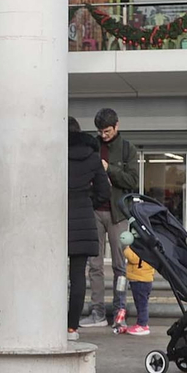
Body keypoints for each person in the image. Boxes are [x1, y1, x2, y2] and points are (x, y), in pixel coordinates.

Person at [81, 107, 139, 328]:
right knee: (94, 264)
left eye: (107, 131)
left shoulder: (127, 149)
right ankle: (97, 312)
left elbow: (132, 180)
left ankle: (119, 310)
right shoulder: (91, 146)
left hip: (118, 214)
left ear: (117, 126)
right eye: (100, 131)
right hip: (94, 210)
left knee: (120, 265)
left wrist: (109, 169)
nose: (103, 135)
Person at [67, 117, 109, 339]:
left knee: (49, 276)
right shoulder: (93, 158)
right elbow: (104, 192)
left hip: (55, 220)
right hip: (83, 219)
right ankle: (71, 327)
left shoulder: (53, 154)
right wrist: (86, 202)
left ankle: (48, 323)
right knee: (78, 277)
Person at [120, 244, 155, 337]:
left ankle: (142, 324)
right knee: (142, 303)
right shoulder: (149, 249)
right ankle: (142, 323)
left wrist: (127, 248)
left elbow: (132, 258)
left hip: (140, 279)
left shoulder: (142, 249)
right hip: (145, 279)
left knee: (141, 304)